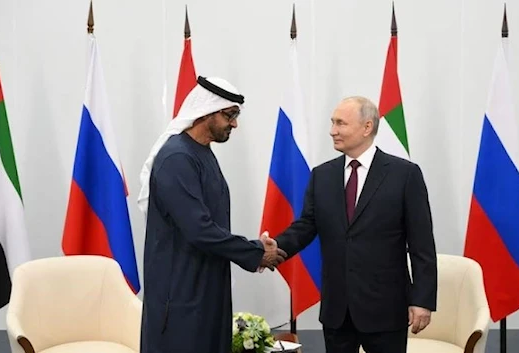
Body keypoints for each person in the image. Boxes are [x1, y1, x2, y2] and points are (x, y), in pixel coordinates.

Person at [273, 96, 437, 353]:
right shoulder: (322, 175)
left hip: (385, 309)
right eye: (332, 122)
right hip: (337, 310)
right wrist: (274, 247)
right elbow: (306, 226)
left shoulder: (405, 175)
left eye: (341, 123)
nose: (332, 131)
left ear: (367, 127)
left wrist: (422, 301)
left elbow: (422, 245)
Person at [138, 76, 287, 353]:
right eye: (230, 115)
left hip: (207, 285)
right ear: (207, 112)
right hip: (180, 294)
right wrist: (255, 251)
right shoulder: (177, 158)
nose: (235, 124)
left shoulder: (201, 152)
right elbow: (199, 229)